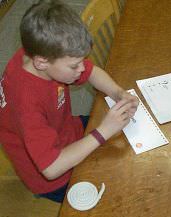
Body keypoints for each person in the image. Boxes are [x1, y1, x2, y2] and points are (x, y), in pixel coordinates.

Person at [0, 0, 139, 203]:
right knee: (117, 192)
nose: (82, 69)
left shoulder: (42, 55)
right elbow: (51, 168)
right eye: (74, 66)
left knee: (124, 148)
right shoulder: (26, 104)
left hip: (67, 131)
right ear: (41, 62)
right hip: (54, 175)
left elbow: (91, 72)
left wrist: (118, 93)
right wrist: (103, 131)